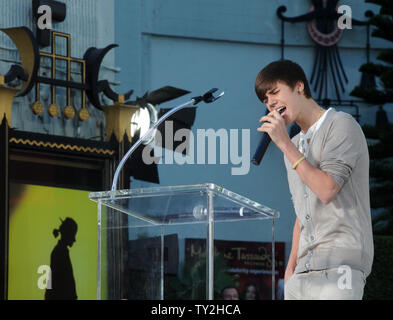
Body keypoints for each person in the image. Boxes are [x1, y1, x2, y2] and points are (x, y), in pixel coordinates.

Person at [254, 60, 374, 300]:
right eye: (265, 101)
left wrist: (285, 144)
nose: (270, 104)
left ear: (299, 87)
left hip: (340, 265)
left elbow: (327, 189)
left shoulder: (341, 125)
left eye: (275, 93)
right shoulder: (295, 145)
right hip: (303, 271)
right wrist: (290, 270)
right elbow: (303, 211)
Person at [45, 217, 78, 300]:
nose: (74, 240)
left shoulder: (59, 251)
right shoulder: (60, 252)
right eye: (73, 235)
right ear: (68, 234)